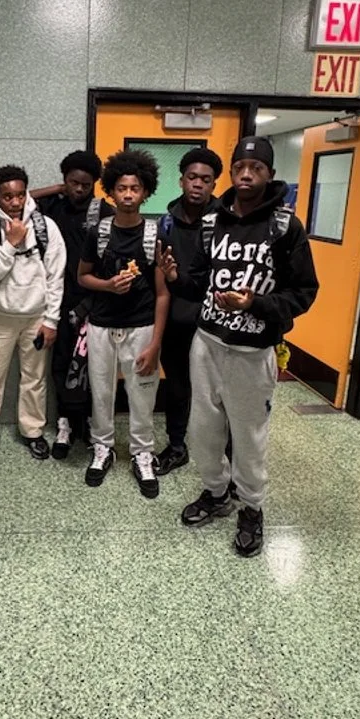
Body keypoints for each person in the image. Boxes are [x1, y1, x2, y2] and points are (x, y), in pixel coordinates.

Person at [159, 136, 318, 557]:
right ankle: (216, 493)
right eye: (240, 167)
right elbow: (199, 282)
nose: (246, 175)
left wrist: (258, 304)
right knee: (203, 431)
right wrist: (176, 277)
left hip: (252, 352)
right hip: (207, 343)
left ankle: (251, 507)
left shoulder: (285, 226)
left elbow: (304, 291)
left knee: (248, 438)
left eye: (257, 168)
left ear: (269, 174)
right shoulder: (214, 221)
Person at [78, 149, 169, 499]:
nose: (128, 195)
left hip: (142, 326)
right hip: (101, 325)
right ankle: (102, 448)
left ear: (146, 192)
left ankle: (142, 453)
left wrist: (155, 343)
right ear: (110, 192)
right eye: (121, 188)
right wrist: (107, 285)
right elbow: (83, 277)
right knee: (101, 392)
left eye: (135, 188)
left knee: (142, 394)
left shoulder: (156, 234)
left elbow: (163, 294)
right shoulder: (97, 232)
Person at [0, 165, 66, 459]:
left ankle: (33, 431)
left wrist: (51, 320)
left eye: (20, 195)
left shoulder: (46, 227)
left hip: (36, 318)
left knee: (34, 379)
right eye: (7, 196)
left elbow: (56, 276)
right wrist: (11, 244)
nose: (15, 202)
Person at [31, 150, 114, 458]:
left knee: (95, 367)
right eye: (73, 182)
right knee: (62, 364)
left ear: (95, 183)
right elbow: (18, 198)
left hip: (95, 302)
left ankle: (92, 424)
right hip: (58, 302)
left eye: (85, 184)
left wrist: (93, 301)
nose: (79, 189)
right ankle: (65, 423)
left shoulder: (104, 211)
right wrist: (56, 189)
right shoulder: (53, 206)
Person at [155, 147, 223, 476]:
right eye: (192, 177)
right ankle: (177, 445)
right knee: (178, 387)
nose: (198, 184)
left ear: (214, 185)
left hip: (216, 324)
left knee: (216, 392)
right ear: (181, 181)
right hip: (177, 322)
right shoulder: (165, 223)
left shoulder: (227, 222)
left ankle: (221, 449)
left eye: (206, 180)